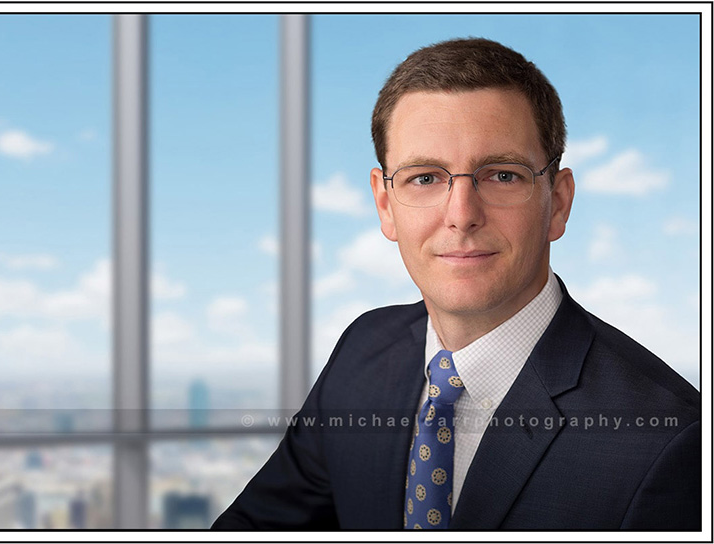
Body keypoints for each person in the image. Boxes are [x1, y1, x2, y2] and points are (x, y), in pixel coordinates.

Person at [212, 38, 701, 530]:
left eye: (502, 175)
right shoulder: (362, 350)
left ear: (558, 202)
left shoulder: (671, 442)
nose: (462, 216)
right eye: (425, 178)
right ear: (385, 205)